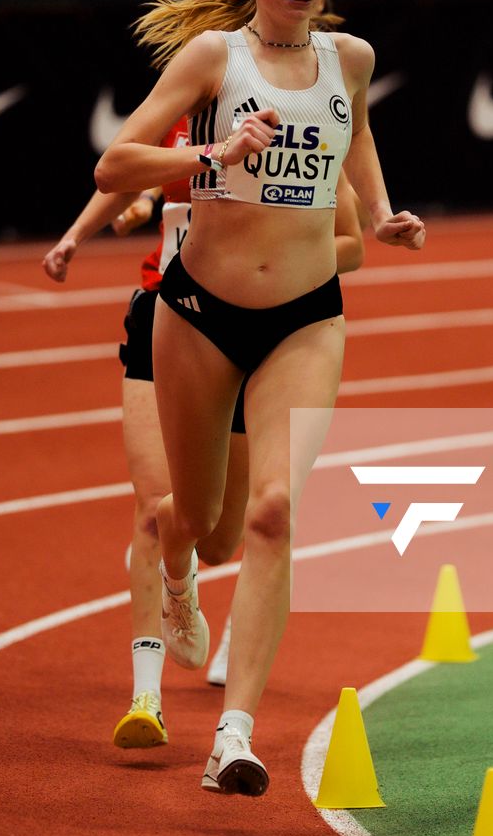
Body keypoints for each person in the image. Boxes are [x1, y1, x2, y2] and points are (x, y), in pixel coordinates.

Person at [94, 0, 424, 797]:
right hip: (198, 311)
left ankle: (234, 735)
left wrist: (384, 211)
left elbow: (358, 135)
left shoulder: (348, 60)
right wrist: (211, 160)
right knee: (193, 522)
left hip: (307, 315)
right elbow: (115, 165)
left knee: (274, 513)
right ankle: (176, 577)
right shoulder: (213, 60)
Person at [44, 117, 364, 750]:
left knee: (219, 535)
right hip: (169, 317)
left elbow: (351, 239)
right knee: (150, 504)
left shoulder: (302, 127)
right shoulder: (187, 119)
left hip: (263, 332)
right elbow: (124, 171)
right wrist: (77, 234)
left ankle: (188, 574)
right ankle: (146, 697)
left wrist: (291, 259)